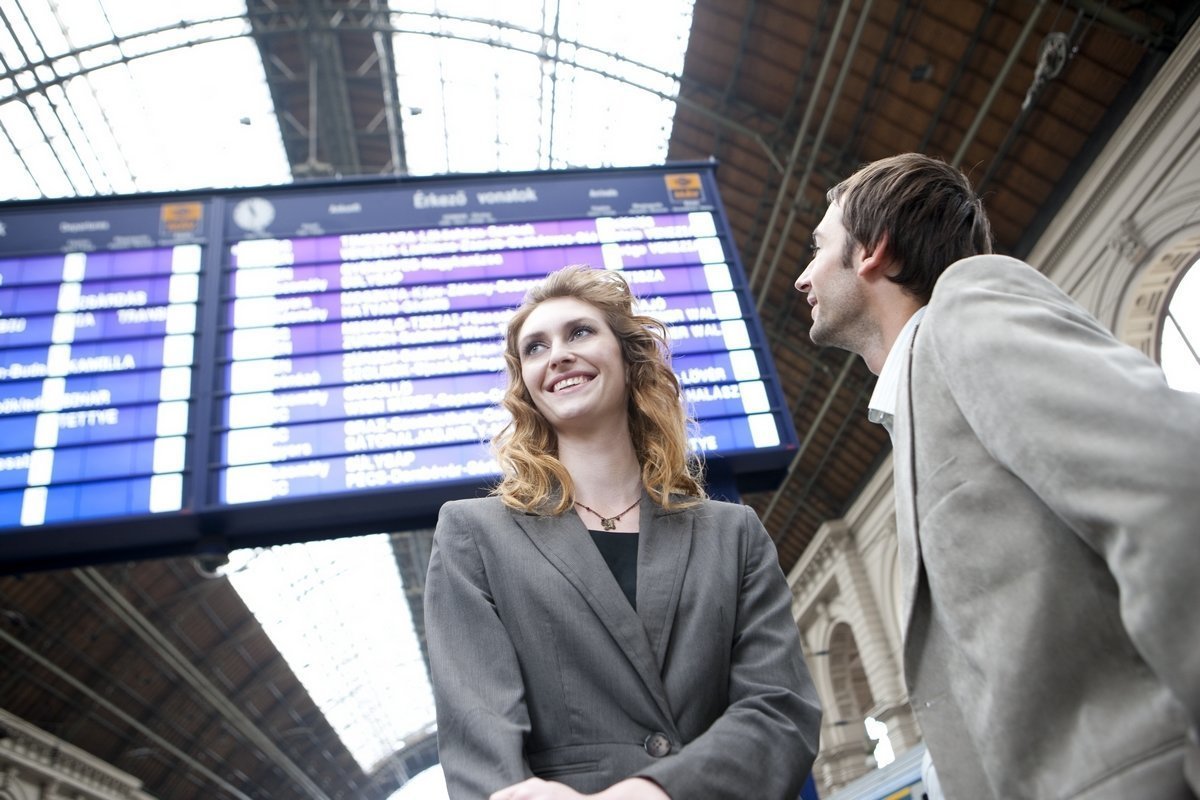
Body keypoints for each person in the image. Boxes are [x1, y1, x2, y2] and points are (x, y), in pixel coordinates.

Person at [793, 152, 1200, 799]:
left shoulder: (967, 306)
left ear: (872, 250)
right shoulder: (918, 400)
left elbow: (1175, 489)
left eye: (818, 248)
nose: (801, 277)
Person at [424, 265, 821, 800]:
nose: (557, 355)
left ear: (631, 360)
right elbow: (479, 733)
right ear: (527, 388)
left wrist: (656, 791)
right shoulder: (474, 535)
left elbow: (780, 711)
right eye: (535, 348)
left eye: (580, 332)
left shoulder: (733, 535)